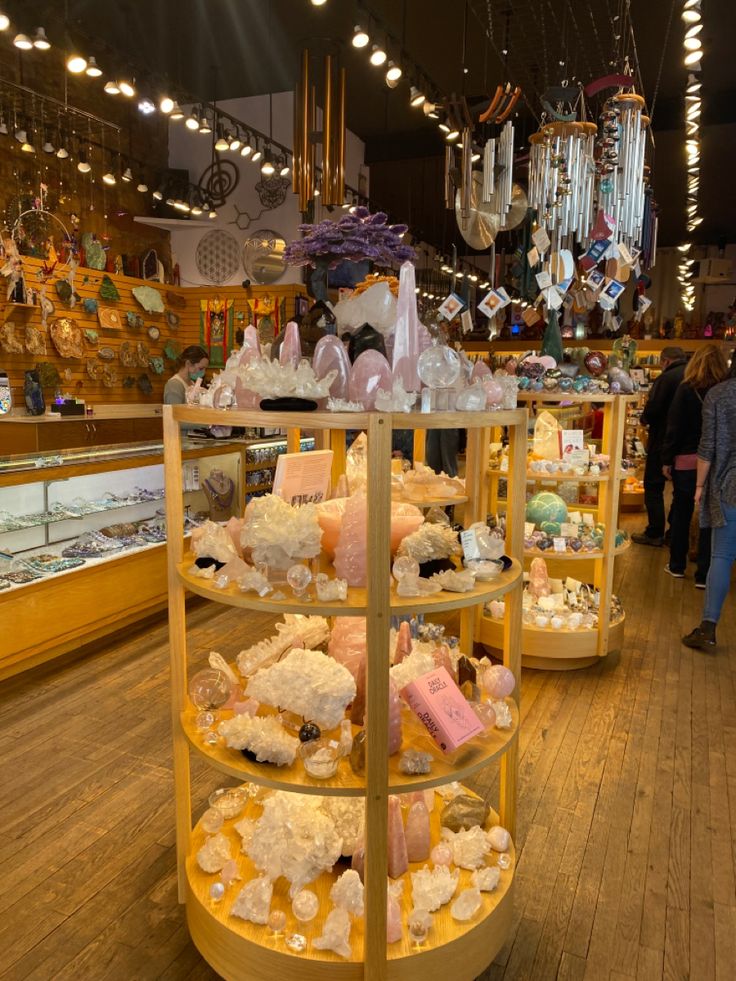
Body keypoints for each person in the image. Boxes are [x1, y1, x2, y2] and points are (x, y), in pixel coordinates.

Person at [661, 343, 728, 583]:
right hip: (718, 462)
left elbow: (674, 426)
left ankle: (677, 565)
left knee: (681, 511)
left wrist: (667, 459)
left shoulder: (687, 389)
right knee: (710, 517)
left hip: (687, 460)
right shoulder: (725, 391)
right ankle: (704, 573)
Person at [682, 352, 736, 649]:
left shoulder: (719, 394)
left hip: (728, 484)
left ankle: (708, 627)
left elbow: (708, 446)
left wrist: (700, 485)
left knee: (721, 556)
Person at [632, 346, 687, 546]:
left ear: (665, 361)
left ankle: (654, 532)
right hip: (687, 444)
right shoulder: (692, 374)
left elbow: (653, 409)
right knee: (680, 491)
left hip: (662, 439)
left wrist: (645, 419)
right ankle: (674, 532)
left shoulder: (666, 378)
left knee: (653, 486)